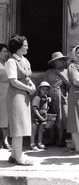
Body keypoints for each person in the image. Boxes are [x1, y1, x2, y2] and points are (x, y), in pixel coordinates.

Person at [5, 35, 36, 166]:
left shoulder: (25, 60)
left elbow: (27, 77)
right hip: (16, 96)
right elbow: (13, 81)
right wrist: (28, 89)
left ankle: (13, 155)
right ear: (17, 47)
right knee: (18, 126)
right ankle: (19, 157)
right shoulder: (11, 62)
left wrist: (32, 85)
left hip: (24, 95)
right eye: (25, 45)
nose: (27, 47)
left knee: (23, 125)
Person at [45, 52, 70, 147]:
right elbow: (45, 85)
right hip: (51, 97)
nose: (61, 62)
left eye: (62, 60)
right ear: (54, 62)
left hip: (62, 97)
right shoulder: (49, 72)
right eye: (59, 60)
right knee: (51, 118)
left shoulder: (66, 71)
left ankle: (60, 140)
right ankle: (51, 139)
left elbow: (69, 84)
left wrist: (61, 75)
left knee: (61, 119)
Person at [30, 81, 51, 151]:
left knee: (41, 130)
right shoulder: (37, 98)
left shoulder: (46, 98)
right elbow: (34, 108)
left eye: (46, 90)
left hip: (43, 116)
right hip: (37, 116)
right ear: (39, 90)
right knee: (34, 130)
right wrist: (39, 116)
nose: (45, 91)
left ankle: (40, 143)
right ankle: (32, 144)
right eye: (43, 89)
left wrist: (48, 101)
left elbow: (46, 107)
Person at [0, 44, 11, 150]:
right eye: (4, 51)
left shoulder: (8, 63)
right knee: (2, 117)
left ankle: (5, 139)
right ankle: (4, 140)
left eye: (7, 51)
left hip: (8, 93)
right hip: (1, 93)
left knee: (6, 117)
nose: (6, 53)